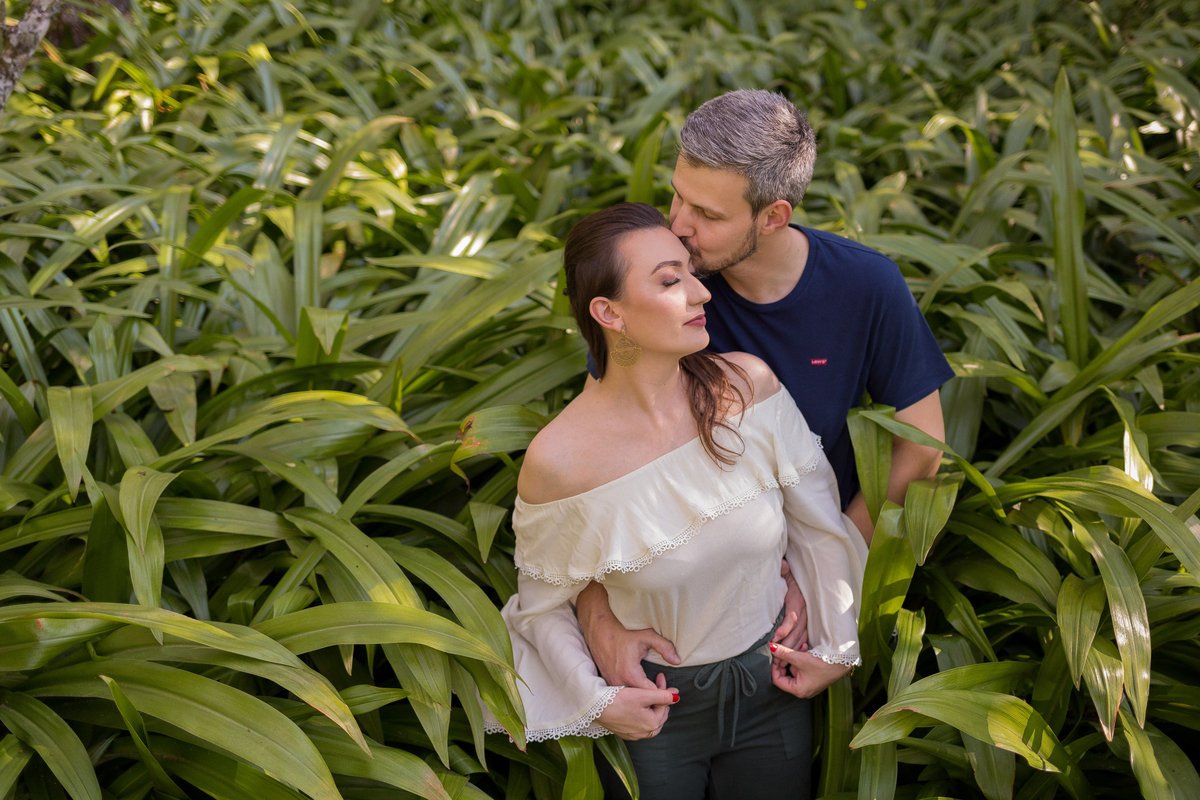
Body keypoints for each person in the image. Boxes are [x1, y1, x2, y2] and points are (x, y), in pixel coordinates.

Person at [575, 90, 955, 709]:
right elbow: (589, 472)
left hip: (789, 611)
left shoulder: (866, 285)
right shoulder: (656, 286)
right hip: (667, 612)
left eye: (708, 213)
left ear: (774, 216)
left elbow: (923, 449)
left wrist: (825, 569)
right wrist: (599, 622)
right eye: (677, 195)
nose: (677, 225)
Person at [482, 203, 867, 799]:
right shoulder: (560, 461)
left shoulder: (748, 387)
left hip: (772, 688)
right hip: (656, 713)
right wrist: (599, 701)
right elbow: (542, 605)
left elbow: (818, 524)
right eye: (669, 281)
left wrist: (838, 643)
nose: (700, 294)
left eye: (692, 272)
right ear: (609, 312)